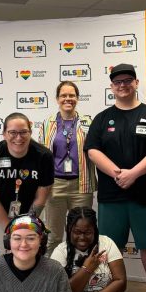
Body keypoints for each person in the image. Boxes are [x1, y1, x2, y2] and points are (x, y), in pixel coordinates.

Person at [84, 63, 146, 281]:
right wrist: (118, 174)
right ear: (112, 87)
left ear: (136, 83)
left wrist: (133, 174)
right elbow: (93, 151)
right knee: (107, 250)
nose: (122, 85)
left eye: (127, 81)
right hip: (112, 197)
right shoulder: (102, 118)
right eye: (117, 82)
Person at [0, 112, 54, 252]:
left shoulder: (44, 156)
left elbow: (41, 198)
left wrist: (26, 224)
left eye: (23, 132)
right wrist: (11, 228)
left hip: (32, 211)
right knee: (8, 255)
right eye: (12, 132)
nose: (18, 138)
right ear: (4, 134)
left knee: (31, 254)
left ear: (30, 132)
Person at [39, 81, 96, 253]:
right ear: (57, 99)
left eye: (72, 95)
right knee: (54, 235)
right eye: (64, 95)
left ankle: (81, 272)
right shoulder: (48, 123)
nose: (68, 98)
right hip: (55, 185)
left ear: (77, 98)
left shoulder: (88, 122)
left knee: (81, 233)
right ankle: (51, 275)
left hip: (81, 185)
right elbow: (41, 154)